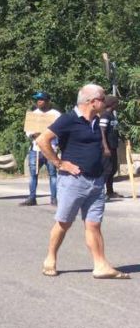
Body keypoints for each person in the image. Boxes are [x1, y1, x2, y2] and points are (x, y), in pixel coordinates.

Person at [37, 84, 129, 279]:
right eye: (103, 98)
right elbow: (43, 140)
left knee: (94, 225)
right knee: (64, 223)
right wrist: (59, 163)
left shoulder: (97, 120)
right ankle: (50, 258)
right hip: (73, 181)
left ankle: (100, 265)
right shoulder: (68, 119)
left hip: (96, 182)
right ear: (92, 102)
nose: (105, 102)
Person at [21, 91, 61, 207]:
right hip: (36, 148)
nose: (39, 102)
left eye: (41, 99)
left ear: (48, 101)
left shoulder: (56, 114)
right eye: (37, 100)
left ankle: (54, 198)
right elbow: (28, 131)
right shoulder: (34, 114)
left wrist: (47, 135)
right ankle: (32, 197)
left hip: (50, 148)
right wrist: (35, 135)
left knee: (53, 174)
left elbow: (60, 130)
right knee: (33, 174)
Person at [100, 96, 121, 198]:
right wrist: (105, 147)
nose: (118, 105)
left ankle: (110, 192)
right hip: (107, 148)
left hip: (113, 146)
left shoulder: (112, 115)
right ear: (113, 104)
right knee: (107, 170)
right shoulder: (105, 115)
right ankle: (99, 192)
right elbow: (102, 131)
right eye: (117, 103)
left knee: (113, 169)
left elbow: (114, 130)